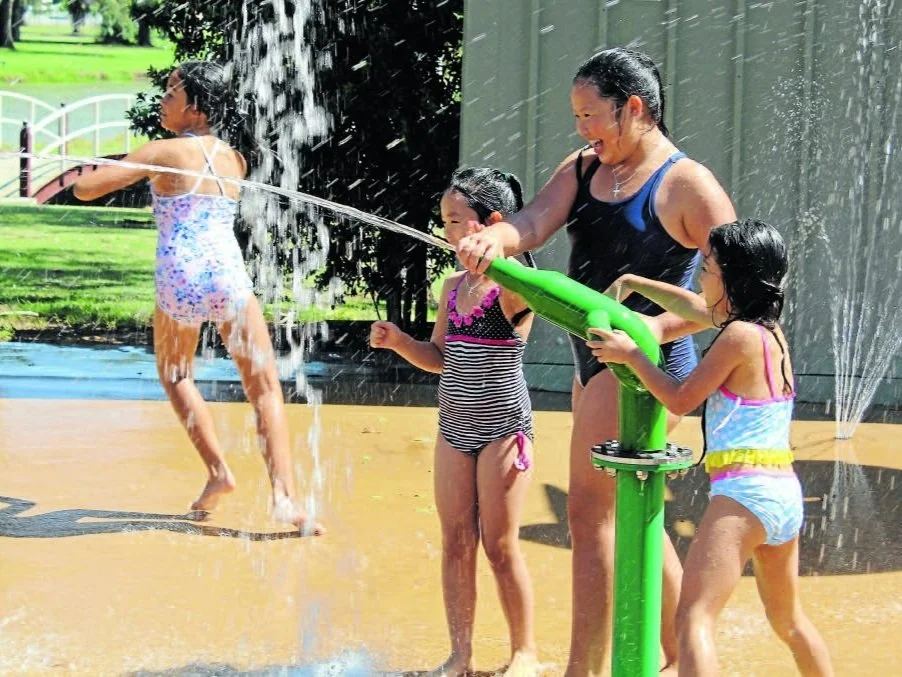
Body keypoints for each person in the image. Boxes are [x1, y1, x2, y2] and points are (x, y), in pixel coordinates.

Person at [456, 47, 736, 675]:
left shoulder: (687, 185)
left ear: (633, 108)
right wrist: (490, 239)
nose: (582, 129)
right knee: (636, 509)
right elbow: (529, 224)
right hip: (599, 358)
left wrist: (643, 335)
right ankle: (677, 654)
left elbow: (728, 297)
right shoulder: (584, 170)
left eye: (590, 115)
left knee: (590, 513)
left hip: (645, 362)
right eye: (576, 116)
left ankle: (586, 669)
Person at [73, 61, 323, 535]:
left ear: (196, 109)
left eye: (171, 93)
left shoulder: (161, 151)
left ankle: (218, 472)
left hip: (179, 279)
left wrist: (88, 169)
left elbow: (86, 190)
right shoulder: (235, 159)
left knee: (176, 374)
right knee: (266, 389)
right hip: (227, 276)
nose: (163, 100)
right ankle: (285, 498)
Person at [587, 219, 834, 677]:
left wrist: (632, 356)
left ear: (733, 277)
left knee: (692, 619)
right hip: (782, 494)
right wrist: (636, 283)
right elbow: (695, 306)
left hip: (744, 494)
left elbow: (680, 398)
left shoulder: (737, 337)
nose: (701, 276)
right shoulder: (766, 331)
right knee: (789, 622)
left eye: (708, 268)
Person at [370, 168, 540, 676]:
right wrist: (401, 342)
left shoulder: (513, 284)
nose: (446, 232)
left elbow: (528, 283)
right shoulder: (452, 287)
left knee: (501, 545)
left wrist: (500, 255)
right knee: (455, 540)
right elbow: (441, 356)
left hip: (502, 429)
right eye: (443, 222)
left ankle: (524, 653)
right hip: (454, 426)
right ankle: (460, 655)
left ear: (490, 224)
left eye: (455, 222)